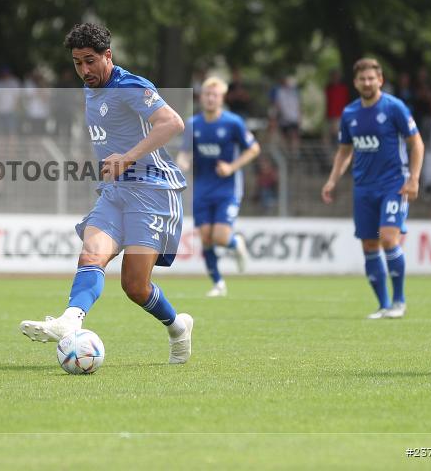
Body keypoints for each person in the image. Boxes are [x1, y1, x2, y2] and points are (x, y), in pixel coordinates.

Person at [20, 23, 193, 364]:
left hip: (153, 191)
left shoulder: (130, 86)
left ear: (107, 56)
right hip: (115, 192)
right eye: (77, 62)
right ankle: (70, 320)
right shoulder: (89, 88)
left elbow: (172, 123)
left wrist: (126, 158)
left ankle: (178, 327)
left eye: (90, 61)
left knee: (135, 286)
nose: (84, 70)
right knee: (92, 253)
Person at [321, 58, 423, 319]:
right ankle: (383, 305)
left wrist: (414, 178)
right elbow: (344, 152)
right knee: (369, 245)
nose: (367, 82)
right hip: (363, 188)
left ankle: (399, 302)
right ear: (355, 82)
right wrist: (332, 180)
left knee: (389, 238)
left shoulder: (394, 107)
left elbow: (417, 143)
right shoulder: (350, 114)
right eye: (362, 79)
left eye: (371, 78)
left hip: (393, 184)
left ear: (380, 80)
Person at [180, 77, 259, 297]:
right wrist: (183, 163)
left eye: (215, 95)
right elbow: (185, 153)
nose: (210, 98)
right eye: (207, 94)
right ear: (201, 97)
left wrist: (232, 167)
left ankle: (236, 243)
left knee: (220, 237)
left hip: (227, 189)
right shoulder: (192, 124)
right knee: (205, 238)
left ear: (222, 98)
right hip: (202, 188)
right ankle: (218, 284)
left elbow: (253, 149)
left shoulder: (233, 122)